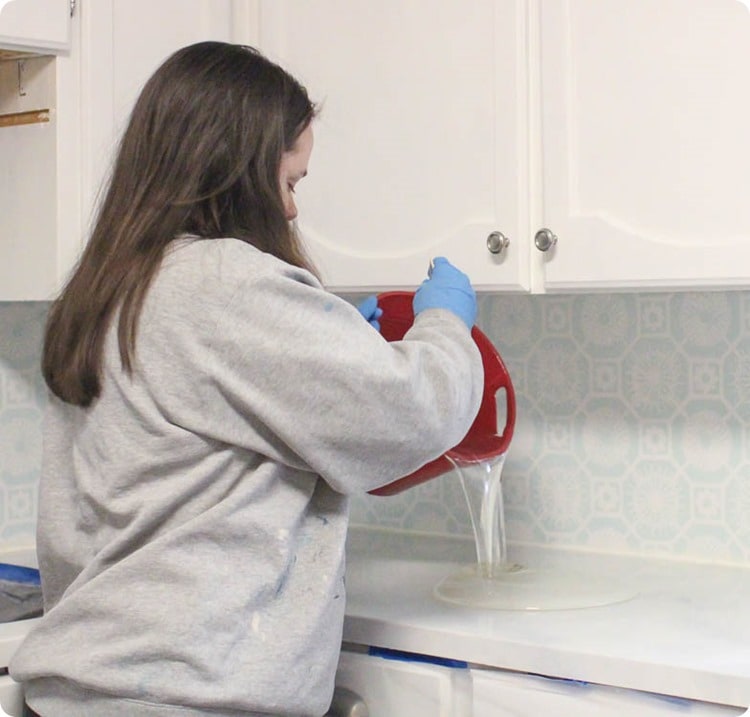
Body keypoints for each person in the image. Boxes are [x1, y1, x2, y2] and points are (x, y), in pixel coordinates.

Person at [9, 41, 483, 717]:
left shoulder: (107, 291)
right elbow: (413, 412)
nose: (292, 210)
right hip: (190, 695)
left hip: (79, 692)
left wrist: (330, 345)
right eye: (289, 182)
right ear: (237, 171)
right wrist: (444, 326)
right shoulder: (226, 282)